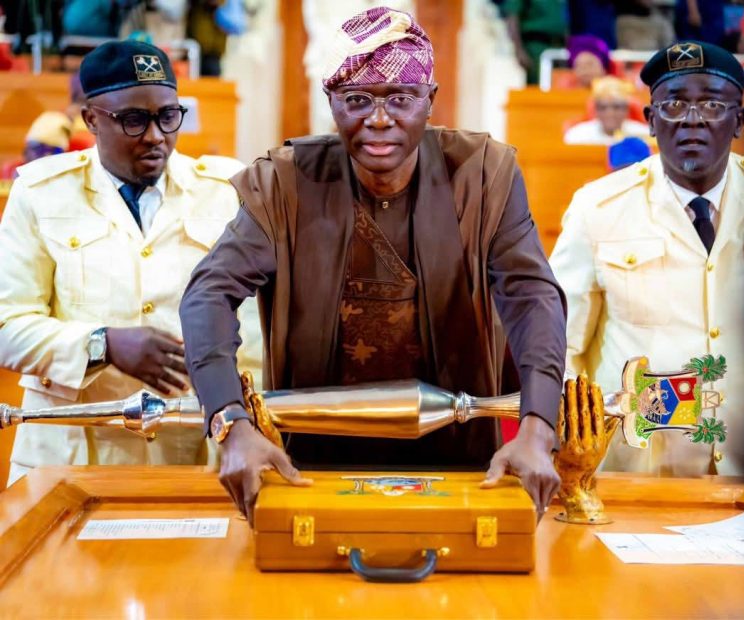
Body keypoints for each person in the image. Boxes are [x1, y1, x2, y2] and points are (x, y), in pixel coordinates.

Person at [180, 6, 566, 524]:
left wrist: (538, 427)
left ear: (430, 100)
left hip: (464, 464)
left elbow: (531, 295)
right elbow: (209, 293)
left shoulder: (482, 173)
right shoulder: (286, 182)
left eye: (400, 99)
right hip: (310, 466)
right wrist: (230, 423)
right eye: (357, 100)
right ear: (331, 102)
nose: (379, 120)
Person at [0, 40, 261, 485]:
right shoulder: (42, 194)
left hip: (192, 449)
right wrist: (102, 345)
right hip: (72, 454)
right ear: (91, 119)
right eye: (134, 120)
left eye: (167, 116)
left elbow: (255, 329)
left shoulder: (223, 191)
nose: (156, 135)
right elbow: (6, 326)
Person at [550, 41, 744, 476]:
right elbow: (559, 345)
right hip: (636, 475)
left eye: (711, 103)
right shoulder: (600, 208)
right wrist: (571, 448)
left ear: (739, 120)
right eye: (673, 104)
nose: (691, 119)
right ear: (649, 120)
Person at [564, 76, 650, 145]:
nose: (610, 113)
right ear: (596, 111)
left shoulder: (644, 136)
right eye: (603, 107)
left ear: (626, 110)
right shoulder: (577, 136)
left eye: (617, 107)